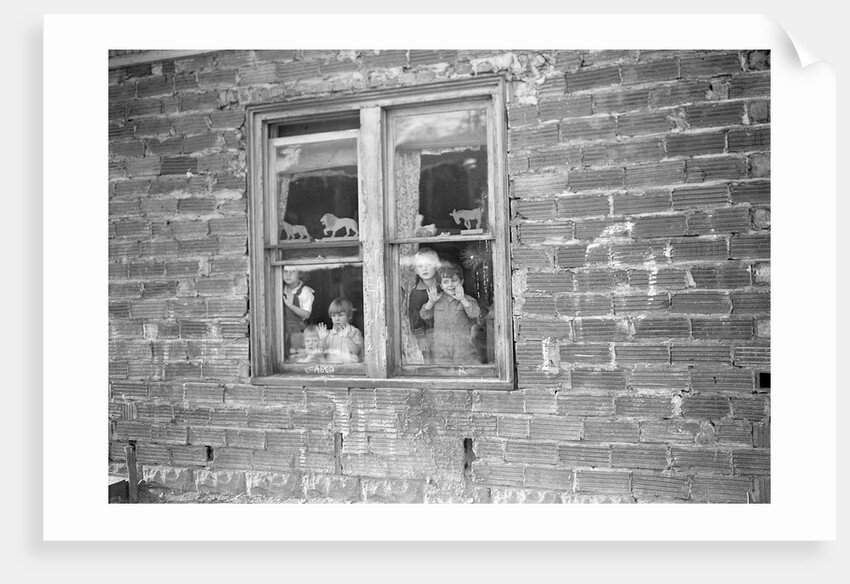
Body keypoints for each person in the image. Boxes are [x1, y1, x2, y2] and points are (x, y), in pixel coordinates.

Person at [419, 262, 481, 364]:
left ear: (461, 281)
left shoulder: (467, 299)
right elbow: (424, 315)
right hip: (440, 347)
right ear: (441, 285)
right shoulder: (436, 299)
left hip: (462, 347)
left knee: (462, 374)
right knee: (443, 373)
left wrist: (462, 299)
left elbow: (475, 313)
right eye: (446, 282)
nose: (450, 285)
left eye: (454, 280)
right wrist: (431, 302)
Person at [404, 248, 441, 363]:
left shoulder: (443, 286)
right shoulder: (416, 293)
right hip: (428, 335)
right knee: (431, 362)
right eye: (420, 266)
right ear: (415, 269)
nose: (424, 269)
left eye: (428, 265)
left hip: (446, 332)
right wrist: (421, 338)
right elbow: (414, 318)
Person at [317, 297, 363, 363]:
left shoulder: (354, 331)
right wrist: (323, 339)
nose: (337, 318)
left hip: (350, 370)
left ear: (349, 316)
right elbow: (321, 352)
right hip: (333, 370)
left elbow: (356, 351)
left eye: (340, 315)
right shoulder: (329, 334)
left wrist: (347, 337)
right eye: (333, 315)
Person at [281, 267, 314, 360]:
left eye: (292, 271)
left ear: (300, 273)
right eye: (285, 271)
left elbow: (306, 314)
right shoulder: (279, 287)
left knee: (296, 355)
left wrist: (291, 306)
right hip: (281, 329)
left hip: (297, 330)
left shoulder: (305, 292)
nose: (288, 274)